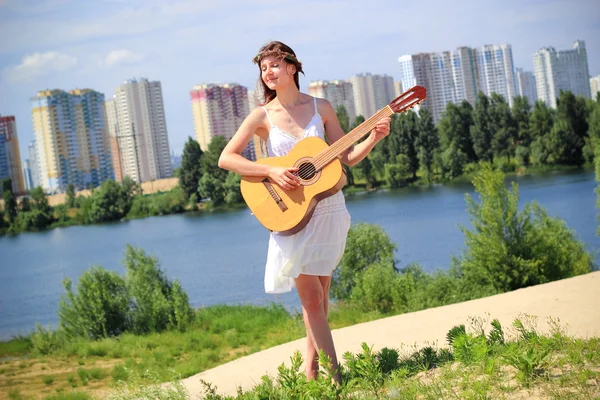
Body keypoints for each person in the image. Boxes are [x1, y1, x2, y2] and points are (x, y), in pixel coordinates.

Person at [218, 41, 390, 382]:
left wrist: (373, 138)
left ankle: (311, 374)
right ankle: (337, 378)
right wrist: (270, 171)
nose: (268, 73)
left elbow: (347, 157)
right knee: (312, 300)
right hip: (291, 216)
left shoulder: (321, 107)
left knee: (321, 301)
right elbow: (227, 158)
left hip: (328, 211)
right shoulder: (261, 116)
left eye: (274, 66)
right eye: (263, 68)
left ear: (293, 68)